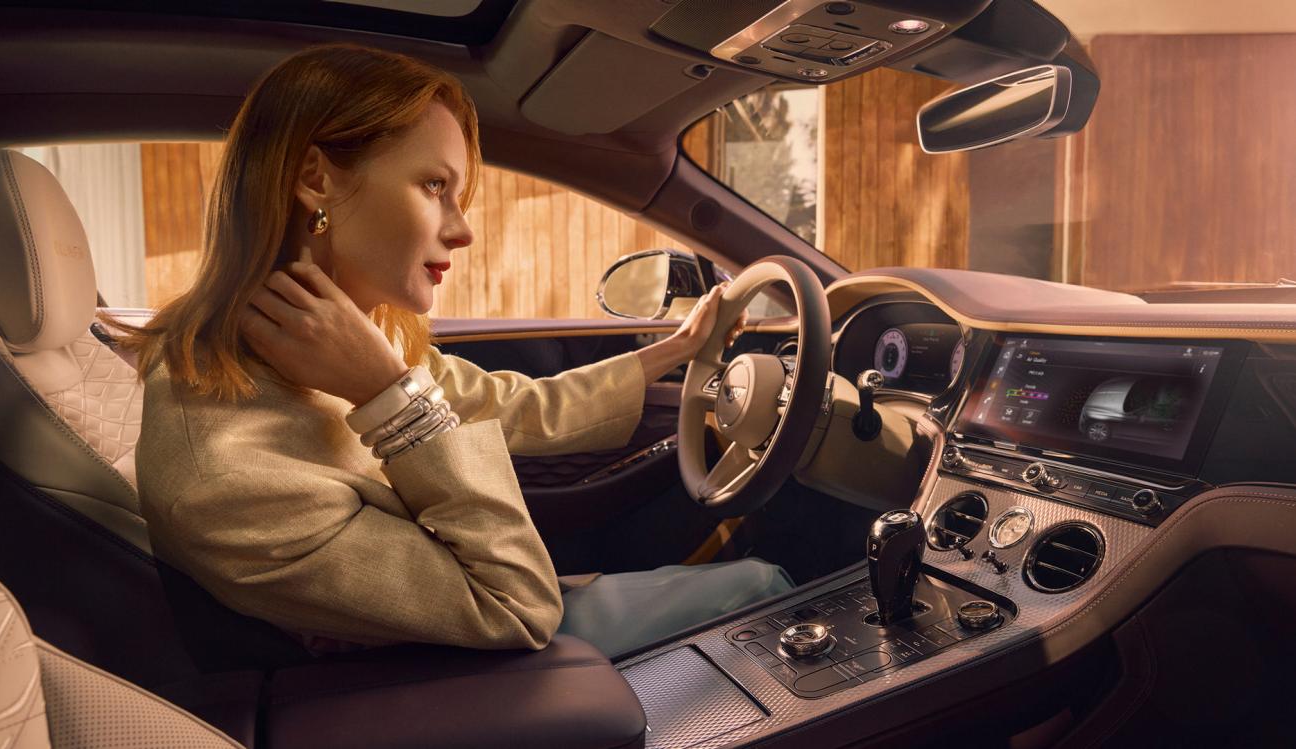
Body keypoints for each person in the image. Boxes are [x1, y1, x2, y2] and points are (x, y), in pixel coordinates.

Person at [112, 43, 792, 659]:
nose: (463, 230)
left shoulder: (328, 337)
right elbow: (518, 605)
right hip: (483, 674)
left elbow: (510, 404)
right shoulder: (229, 481)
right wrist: (389, 397)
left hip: (479, 628)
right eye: (435, 187)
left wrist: (677, 350)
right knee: (766, 584)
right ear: (315, 180)